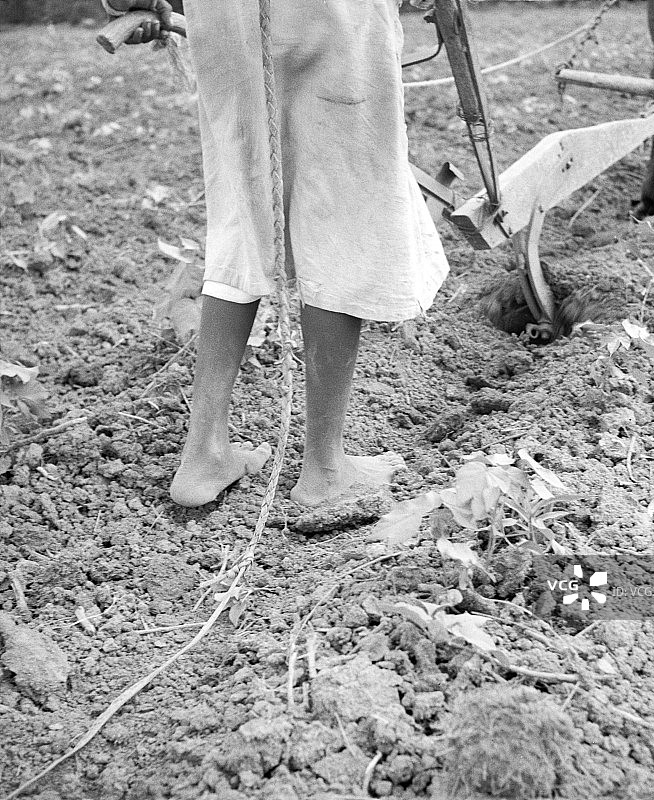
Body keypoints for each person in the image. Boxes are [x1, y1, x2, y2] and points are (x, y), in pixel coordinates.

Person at [103, 0, 449, 508]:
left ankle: (204, 452)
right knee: (341, 214)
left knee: (242, 216)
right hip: (333, 12)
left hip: (225, 15)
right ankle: (326, 468)